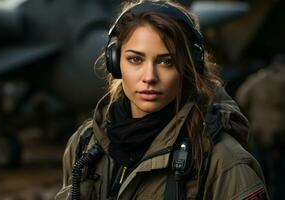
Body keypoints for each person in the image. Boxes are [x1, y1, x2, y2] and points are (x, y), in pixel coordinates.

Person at [55, 1, 269, 199]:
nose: (149, 77)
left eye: (166, 61)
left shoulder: (223, 161)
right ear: (115, 63)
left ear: (189, 68)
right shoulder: (85, 143)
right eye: (135, 59)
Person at [236, 54, 285, 200]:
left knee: (260, 173)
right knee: (281, 176)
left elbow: (241, 98)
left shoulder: (256, 80)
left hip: (259, 134)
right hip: (281, 136)